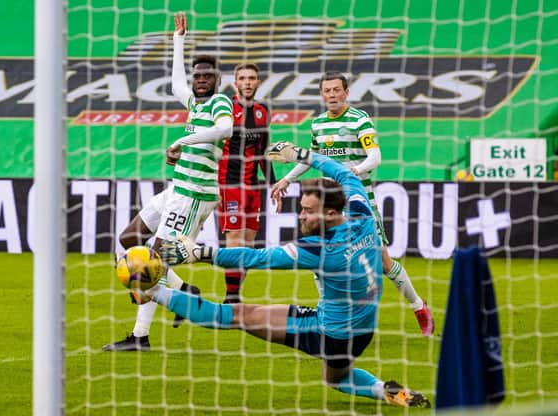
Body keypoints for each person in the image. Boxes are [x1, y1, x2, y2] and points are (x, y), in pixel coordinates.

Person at [136, 143, 430, 408]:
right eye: (301, 208)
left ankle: (152, 291)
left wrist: (201, 253)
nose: (300, 215)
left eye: (308, 211)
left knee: (238, 315)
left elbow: (256, 258)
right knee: (335, 379)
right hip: (363, 330)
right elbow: (345, 173)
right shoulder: (362, 214)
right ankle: (386, 391)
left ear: (330, 214)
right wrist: (303, 156)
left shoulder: (322, 249)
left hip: (330, 332)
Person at [102, 12, 233, 352]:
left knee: (151, 261)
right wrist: (178, 40)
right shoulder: (193, 102)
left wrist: (180, 143)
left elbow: (225, 129)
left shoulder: (220, 102)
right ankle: (185, 290)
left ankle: (140, 337)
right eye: (197, 75)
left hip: (193, 195)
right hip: (177, 188)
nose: (200, 79)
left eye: (206, 75)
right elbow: (177, 85)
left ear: (217, 79)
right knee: (129, 238)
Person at [270, 71, 434, 336]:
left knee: (382, 262)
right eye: (327, 91)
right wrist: (286, 180)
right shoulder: (318, 124)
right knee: (320, 256)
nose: (332, 95)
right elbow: (311, 159)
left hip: (360, 201)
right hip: (329, 205)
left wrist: (352, 174)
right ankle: (328, 314)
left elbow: (375, 157)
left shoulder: (360, 120)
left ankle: (418, 306)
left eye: (337, 90)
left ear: (346, 92)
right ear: (322, 94)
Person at [218, 62, 276, 304]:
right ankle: (231, 298)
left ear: (258, 82)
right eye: (243, 78)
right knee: (234, 240)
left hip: (253, 187)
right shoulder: (225, 109)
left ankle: (235, 295)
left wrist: (273, 183)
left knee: (249, 244)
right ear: (235, 82)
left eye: (252, 78)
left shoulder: (263, 111)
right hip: (230, 185)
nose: (248, 82)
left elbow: (263, 150)